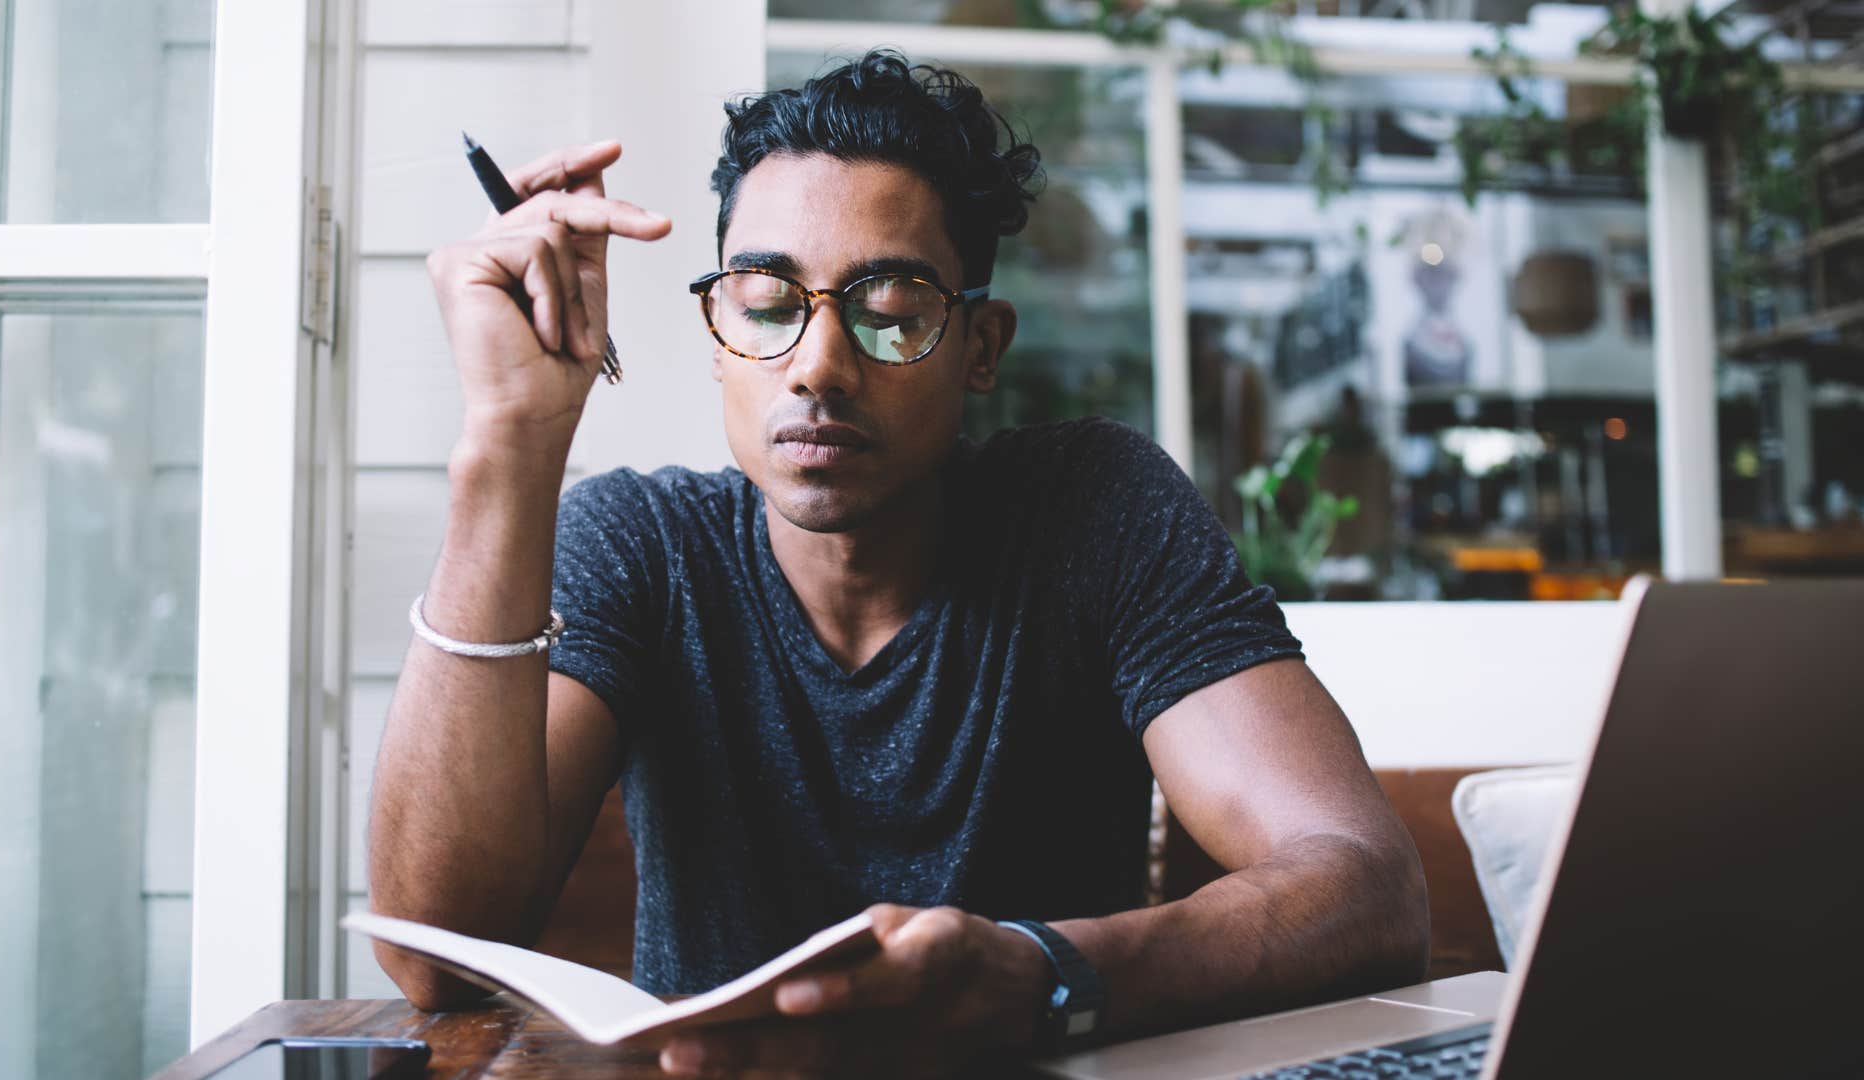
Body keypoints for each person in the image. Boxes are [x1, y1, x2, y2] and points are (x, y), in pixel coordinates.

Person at [368, 51, 1428, 1077]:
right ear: (716, 327)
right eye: (770, 304)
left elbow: (1368, 888)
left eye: (889, 313)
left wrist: (1039, 975)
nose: (819, 367)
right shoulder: (644, 548)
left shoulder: (1093, 512)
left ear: (980, 348)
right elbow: (428, 950)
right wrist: (509, 438)